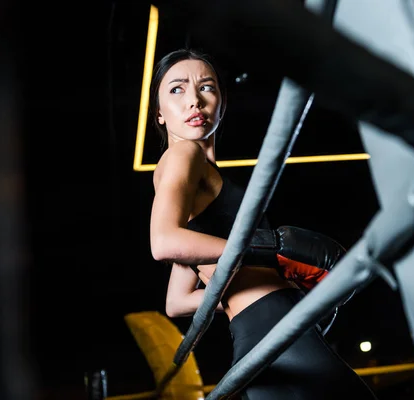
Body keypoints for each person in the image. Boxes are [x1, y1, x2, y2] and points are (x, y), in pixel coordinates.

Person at [148, 48, 378, 399]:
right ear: (159, 114)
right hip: (274, 326)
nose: (194, 100)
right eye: (177, 89)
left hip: (259, 331)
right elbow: (163, 242)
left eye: (206, 87)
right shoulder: (184, 154)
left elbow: (177, 301)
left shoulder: (201, 179)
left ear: (222, 101)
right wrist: (273, 250)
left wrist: (275, 270)